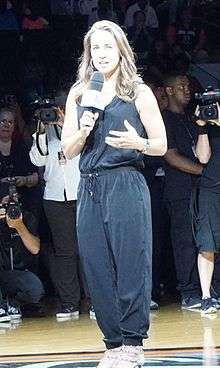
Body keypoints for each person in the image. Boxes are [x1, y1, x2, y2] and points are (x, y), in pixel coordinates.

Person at [61, 20, 167, 368]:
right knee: (96, 265)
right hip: (90, 184)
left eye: (108, 46)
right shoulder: (79, 93)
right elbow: (69, 149)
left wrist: (138, 143)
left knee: (131, 262)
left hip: (125, 181)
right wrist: (84, 128)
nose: (102, 54)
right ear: (88, 53)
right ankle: (113, 343)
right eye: (96, 48)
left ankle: (133, 342)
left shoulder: (138, 92)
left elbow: (160, 145)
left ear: (121, 50)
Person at [29, 107, 81, 320]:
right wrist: (41, 131)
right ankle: (70, 303)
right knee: (65, 252)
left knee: (88, 249)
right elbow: (37, 160)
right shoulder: (43, 132)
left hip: (81, 191)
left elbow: (86, 147)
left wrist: (64, 122)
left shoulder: (78, 127)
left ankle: (97, 301)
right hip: (55, 196)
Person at [162, 72, 203, 309]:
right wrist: (203, 172)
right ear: (168, 91)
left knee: (204, 240)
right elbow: (172, 157)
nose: (187, 90)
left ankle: (207, 287)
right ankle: (188, 291)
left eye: (188, 86)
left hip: (200, 190)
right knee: (184, 242)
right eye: (181, 86)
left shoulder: (190, 118)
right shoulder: (164, 119)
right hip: (178, 191)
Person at [0, 181, 44, 320]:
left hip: (18, 274)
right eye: (8, 202)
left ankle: (14, 304)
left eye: (15, 199)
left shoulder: (26, 216)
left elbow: (35, 249)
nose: (12, 206)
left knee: (35, 288)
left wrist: (19, 226)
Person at [194, 104, 220, 314]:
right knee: (207, 243)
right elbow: (203, 158)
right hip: (211, 188)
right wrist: (202, 127)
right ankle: (206, 296)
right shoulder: (208, 125)